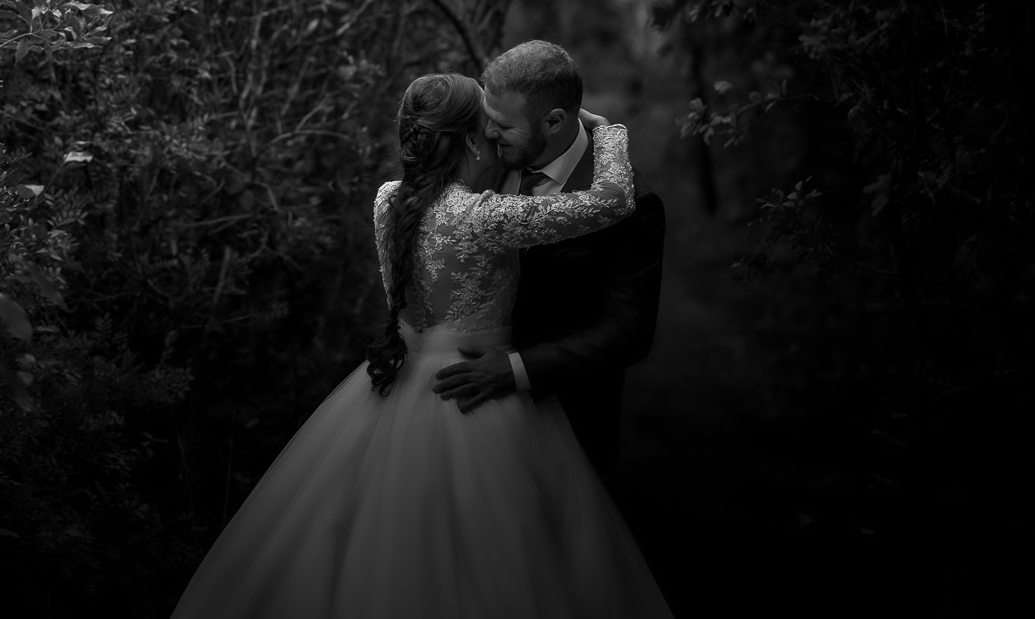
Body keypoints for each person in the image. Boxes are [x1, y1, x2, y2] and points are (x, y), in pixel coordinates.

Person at [168, 72, 671, 618]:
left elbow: (400, 296)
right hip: (475, 389)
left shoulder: (389, 202)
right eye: (489, 126)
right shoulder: (482, 217)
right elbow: (613, 198)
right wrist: (609, 130)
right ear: (473, 140)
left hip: (400, 374)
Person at [432, 41, 666, 480]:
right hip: (470, 409)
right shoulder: (488, 158)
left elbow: (628, 331)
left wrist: (518, 370)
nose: (488, 132)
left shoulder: (633, 201)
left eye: (502, 124)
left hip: (569, 409)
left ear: (554, 121)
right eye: (488, 118)